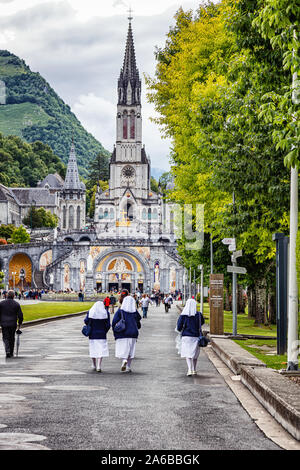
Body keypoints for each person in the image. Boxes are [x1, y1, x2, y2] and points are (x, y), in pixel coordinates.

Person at [112, 290, 141, 373]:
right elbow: (139, 322)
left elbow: (114, 322)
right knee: (131, 350)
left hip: (122, 333)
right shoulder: (135, 312)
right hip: (133, 333)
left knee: (123, 348)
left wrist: (115, 332)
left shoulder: (120, 311)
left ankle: (124, 360)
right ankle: (128, 366)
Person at [176, 298, 204, 376]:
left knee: (188, 353)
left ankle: (189, 369)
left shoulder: (183, 315)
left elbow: (179, 327)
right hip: (196, 336)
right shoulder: (198, 314)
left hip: (186, 336)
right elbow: (202, 322)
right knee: (195, 354)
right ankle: (194, 369)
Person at [84, 300, 110, 372]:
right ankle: (99, 365)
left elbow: (86, 321)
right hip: (102, 334)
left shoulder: (91, 312)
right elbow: (108, 325)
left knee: (93, 349)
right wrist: (105, 331)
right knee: (101, 350)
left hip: (92, 334)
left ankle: (94, 364)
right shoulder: (106, 313)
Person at [0, 290, 23, 358]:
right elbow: (20, 315)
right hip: (13, 323)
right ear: (13, 296)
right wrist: (20, 323)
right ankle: (11, 351)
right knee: (12, 338)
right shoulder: (16, 304)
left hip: (4, 323)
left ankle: (7, 350)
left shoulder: (1, 303)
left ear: (7, 295)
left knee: (5, 337)